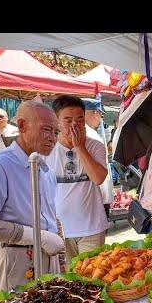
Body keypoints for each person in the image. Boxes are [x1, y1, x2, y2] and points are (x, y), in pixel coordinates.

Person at [0, 101, 64, 292]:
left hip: (50, 256)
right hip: (19, 258)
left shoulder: (45, 169)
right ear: (22, 126)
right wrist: (37, 236)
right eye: (46, 130)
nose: (52, 138)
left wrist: (61, 256)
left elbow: (50, 215)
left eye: (56, 132)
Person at [46, 95, 109, 260]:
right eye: (67, 120)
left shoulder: (95, 146)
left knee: (92, 278)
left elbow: (98, 178)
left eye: (80, 119)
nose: (75, 124)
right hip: (59, 231)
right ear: (56, 121)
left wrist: (80, 147)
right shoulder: (46, 149)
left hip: (92, 229)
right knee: (66, 282)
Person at [83, 98, 114, 218]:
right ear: (95, 113)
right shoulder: (89, 135)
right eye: (100, 114)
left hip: (96, 197)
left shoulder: (89, 133)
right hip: (96, 198)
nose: (101, 118)